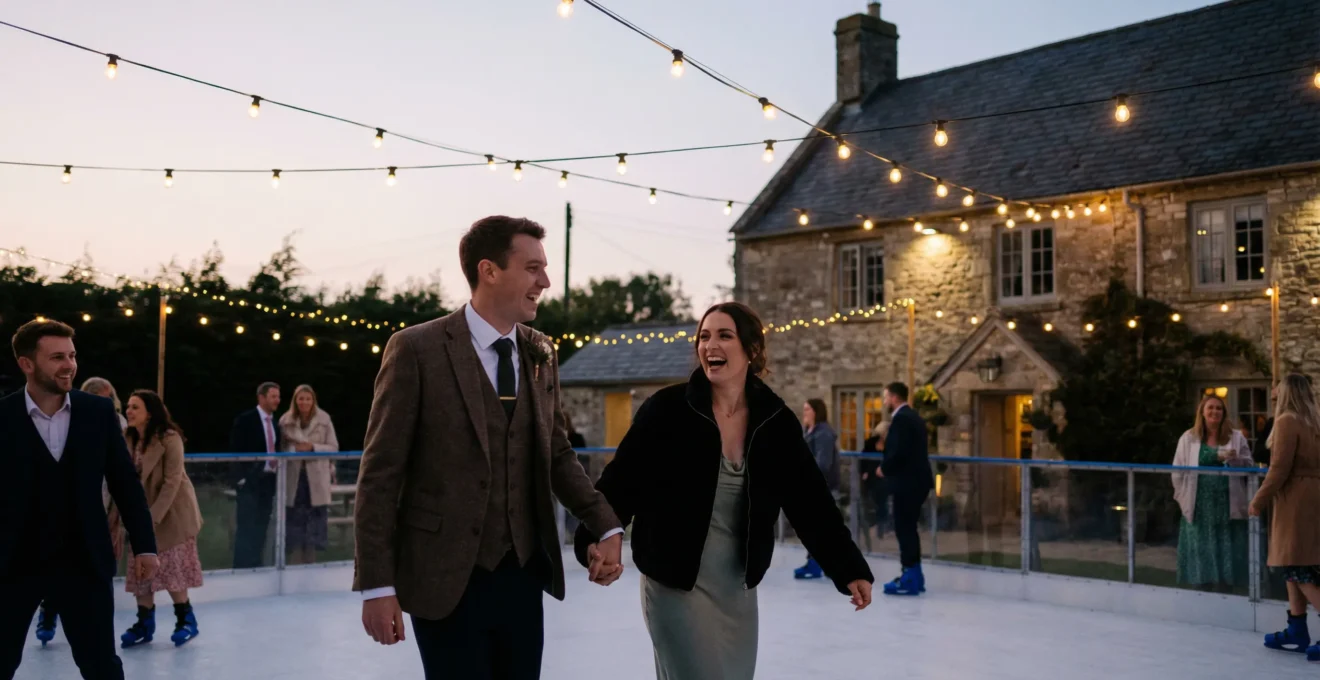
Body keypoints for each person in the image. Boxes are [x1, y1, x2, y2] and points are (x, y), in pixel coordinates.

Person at [354, 216, 623, 680]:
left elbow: (556, 454)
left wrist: (605, 526)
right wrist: (376, 586)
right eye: (533, 267)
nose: (545, 280)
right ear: (489, 271)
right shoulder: (416, 349)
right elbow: (380, 475)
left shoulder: (541, 351)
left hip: (522, 574)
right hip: (442, 579)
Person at [575, 302, 872, 680]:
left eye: (724, 335)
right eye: (704, 336)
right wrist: (595, 539)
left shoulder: (775, 421)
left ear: (751, 350)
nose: (710, 345)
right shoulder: (667, 410)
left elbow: (810, 502)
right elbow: (620, 483)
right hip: (675, 585)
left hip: (736, 590)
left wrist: (848, 568)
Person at [0, 319, 158, 680]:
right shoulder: (3, 418)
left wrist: (145, 546)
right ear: (27, 364)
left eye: (71, 355)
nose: (69, 364)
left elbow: (125, 484)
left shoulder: (98, 413)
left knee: (101, 665)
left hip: (83, 561)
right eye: (57, 357)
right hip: (13, 564)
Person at [35, 377, 128, 648]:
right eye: (101, 396)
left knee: (95, 563)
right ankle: (49, 612)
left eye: (110, 397)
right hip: (69, 503)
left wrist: (116, 515)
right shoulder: (68, 420)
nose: (107, 401)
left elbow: (121, 475)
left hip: (102, 504)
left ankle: (94, 623)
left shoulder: (118, 425)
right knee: (58, 558)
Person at [119, 390, 204, 648]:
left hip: (170, 515)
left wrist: (150, 519)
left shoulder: (169, 439)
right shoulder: (129, 439)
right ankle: (145, 621)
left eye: (135, 407)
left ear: (150, 412)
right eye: (128, 406)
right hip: (140, 514)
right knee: (140, 569)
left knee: (170, 567)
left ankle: (185, 619)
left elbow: (172, 482)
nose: (129, 411)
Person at [1253, 374, 1320, 658]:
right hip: (1312, 496)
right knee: (1293, 564)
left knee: (1299, 566)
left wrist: (1258, 500)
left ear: (1287, 392)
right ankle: (1296, 627)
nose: (1274, 392)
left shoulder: (1286, 421)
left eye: (1278, 388)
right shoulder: (1314, 422)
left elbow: (1278, 469)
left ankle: (1298, 628)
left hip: (1295, 500)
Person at [1171, 395, 1253, 592]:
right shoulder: (1189, 437)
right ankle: (1202, 591)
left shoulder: (1236, 437)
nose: (1215, 412)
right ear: (1202, 411)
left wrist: (1235, 460)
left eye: (1219, 408)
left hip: (1226, 504)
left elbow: (1249, 465)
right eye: (1211, 408)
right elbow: (1178, 470)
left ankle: (1226, 591)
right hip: (1198, 505)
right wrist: (1182, 499)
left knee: (1226, 549)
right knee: (1201, 549)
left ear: (1224, 413)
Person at [879, 382, 936, 596]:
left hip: (907, 482)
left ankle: (910, 575)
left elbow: (898, 451)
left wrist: (884, 468)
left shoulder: (902, 419)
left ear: (894, 398)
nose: (885, 401)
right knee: (908, 527)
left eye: (886, 397)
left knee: (904, 528)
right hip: (916, 481)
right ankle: (914, 574)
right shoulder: (913, 416)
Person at [279, 385, 339, 565]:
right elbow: (279, 448)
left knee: (314, 523)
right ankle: (294, 563)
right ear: (295, 400)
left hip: (316, 480)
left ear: (313, 400)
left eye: (308, 398)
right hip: (294, 479)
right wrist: (294, 449)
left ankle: (311, 564)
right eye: (301, 398)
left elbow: (334, 448)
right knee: (294, 523)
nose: (304, 402)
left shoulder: (324, 419)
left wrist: (313, 448)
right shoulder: (285, 421)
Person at [230, 382, 282, 569]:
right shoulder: (246, 420)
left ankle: (256, 564)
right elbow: (236, 449)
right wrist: (241, 479)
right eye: (273, 396)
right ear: (261, 397)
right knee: (246, 525)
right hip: (250, 481)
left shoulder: (275, 424)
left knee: (262, 524)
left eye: (278, 396)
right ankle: (241, 566)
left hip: (268, 481)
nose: (278, 400)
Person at [794, 398, 840, 579]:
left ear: (816, 412)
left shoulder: (823, 434)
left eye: (807, 410)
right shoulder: (809, 432)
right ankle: (817, 561)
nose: (804, 413)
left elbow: (823, 463)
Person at [860, 421, 891, 545]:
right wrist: (864, 472)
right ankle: (874, 525)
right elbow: (862, 459)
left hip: (883, 477)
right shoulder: (871, 442)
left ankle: (881, 527)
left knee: (882, 499)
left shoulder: (890, 445)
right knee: (872, 499)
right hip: (871, 475)